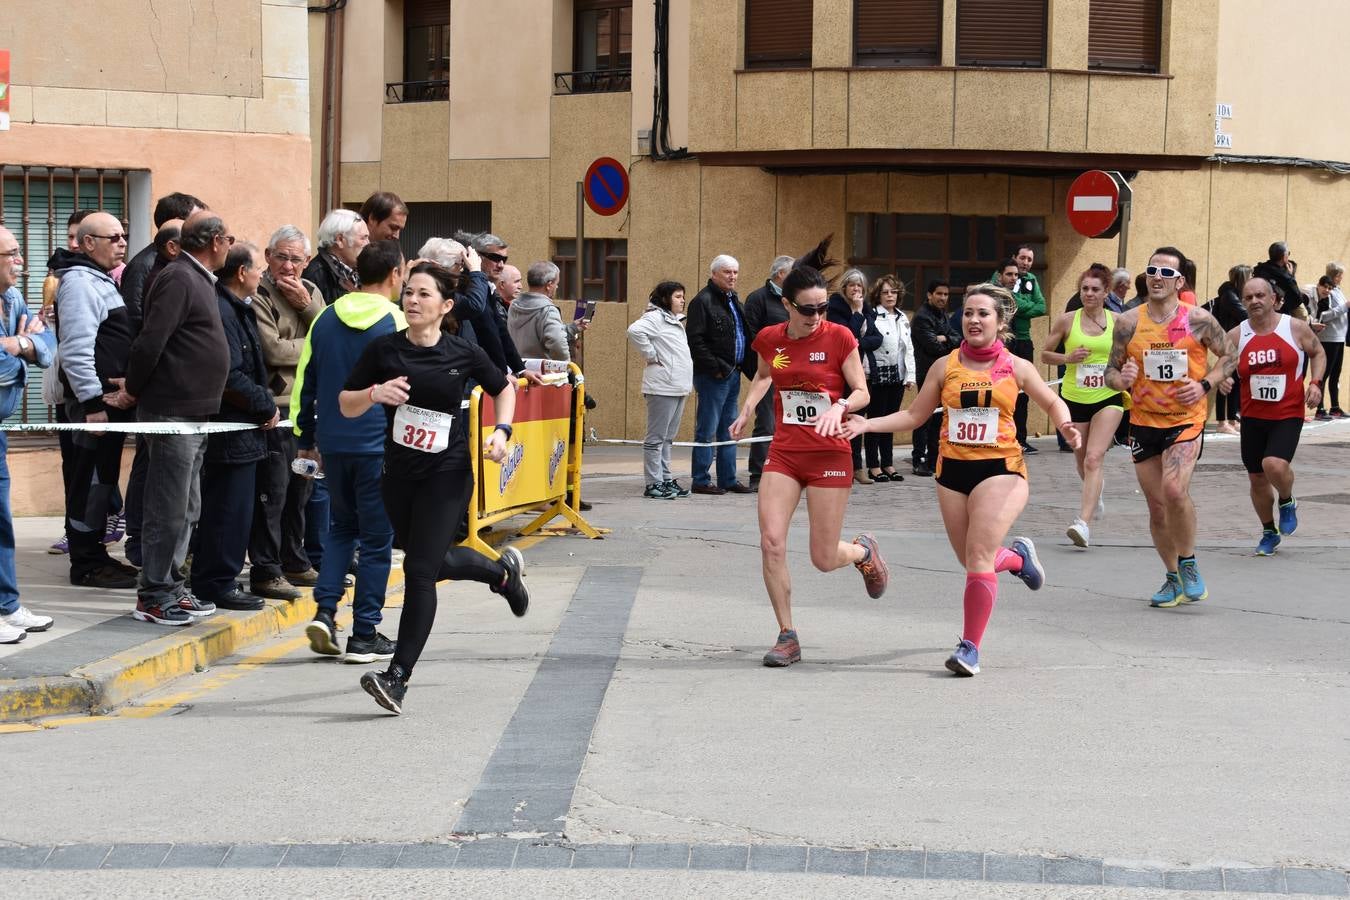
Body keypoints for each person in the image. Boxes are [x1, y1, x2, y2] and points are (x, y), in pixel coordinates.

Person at [845, 283, 1080, 676]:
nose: (973, 319)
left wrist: (1065, 423)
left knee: (978, 557)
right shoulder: (944, 365)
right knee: (971, 558)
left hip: (1000, 470)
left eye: (983, 313)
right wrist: (867, 423)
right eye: (967, 313)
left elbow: (1052, 400)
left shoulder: (1016, 366)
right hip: (952, 472)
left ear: (1000, 323)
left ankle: (970, 648)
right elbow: (914, 416)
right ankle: (1019, 558)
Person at [340, 262, 526, 716]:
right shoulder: (383, 350)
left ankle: (397, 678)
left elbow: (505, 388)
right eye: (408, 292)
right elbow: (345, 403)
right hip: (399, 475)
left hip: (449, 472)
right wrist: (373, 395)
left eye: (424, 294)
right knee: (433, 560)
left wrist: (501, 432)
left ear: (444, 306)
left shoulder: (462, 352)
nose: (412, 300)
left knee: (420, 573)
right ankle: (501, 574)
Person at [730, 263, 887, 667]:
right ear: (787, 305)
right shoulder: (770, 339)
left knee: (822, 557)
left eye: (822, 308)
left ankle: (861, 552)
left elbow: (861, 392)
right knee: (771, 541)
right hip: (785, 453)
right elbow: (766, 375)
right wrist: (747, 408)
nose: (817, 317)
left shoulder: (839, 337)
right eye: (807, 309)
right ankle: (787, 636)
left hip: (830, 454)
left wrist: (840, 406)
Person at [111, 211, 233, 624]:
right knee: (168, 506)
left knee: (187, 506)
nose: (229, 246)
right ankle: (154, 594)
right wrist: (134, 387)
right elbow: (151, 340)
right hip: (171, 411)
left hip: (194, 413)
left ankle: (173, 586)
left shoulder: (197, 277)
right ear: (215, 240)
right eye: (228, 239)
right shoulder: (179, 277)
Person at [1105, 247, 1236, 609]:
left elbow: (1230, 356)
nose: (1157, 276)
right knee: (1158, 507)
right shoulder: (1128, 322)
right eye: (1151, 270)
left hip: (1185, 420)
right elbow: (1110, 374)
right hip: (1143, 422)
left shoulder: (1198, 320)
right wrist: (1122, 378)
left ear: (1180, 281)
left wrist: (1205, 385)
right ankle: (1172, 576)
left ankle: (1189, 562)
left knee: (1174, 490)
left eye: (1166, 272)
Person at [294, 241, 406, 662]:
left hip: (334, 443)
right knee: (377, 540)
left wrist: (306, 436)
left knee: (341, 528)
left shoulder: (324, 317)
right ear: (395, 273)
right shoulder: (397, 321)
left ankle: (325, 612)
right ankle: (364, 633)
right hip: (379, 444)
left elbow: (306, 380)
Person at [188, 243, 279, 614]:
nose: (262, 275)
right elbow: (228, 374)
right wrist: (264, 402)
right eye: (259, 268)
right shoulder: (223, 310)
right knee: (227, 508)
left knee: (237, 507)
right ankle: (216, 582)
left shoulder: (236, 307)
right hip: (232, 427)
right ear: (242, 272)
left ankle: (220, 577)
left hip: (245, 427)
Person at [51, 211, 138, 589]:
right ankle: (85, 563)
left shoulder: (99, 279)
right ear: (88, 243)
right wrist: (91, 404)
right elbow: (76, 349)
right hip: (94, 409)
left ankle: (95, 554)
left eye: (123, 236)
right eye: (113, 237)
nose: (122, 243)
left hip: (109, 404)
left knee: (102, 482)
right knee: (88, 483)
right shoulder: (80, 283)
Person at [1218, 277, 1325, 556]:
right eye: (1248, 297)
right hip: (1253, 416)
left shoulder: (1295, 328)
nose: (1254, 301)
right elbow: (1221, 365)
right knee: (1257, 478)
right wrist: (1223, 380)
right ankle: (1268, 530)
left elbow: (1318, 352)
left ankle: (1287, 500)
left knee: (1273, 464)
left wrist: (1315, 383)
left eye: (1260, 295)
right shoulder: (1236, 335)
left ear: (1273, 298)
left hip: (1287, 413)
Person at [248, 225, 327, 600]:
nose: (289, 266)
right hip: (276, 410)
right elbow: (273, 351)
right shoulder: (259, 292)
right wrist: (312, 343)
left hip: (308, 409)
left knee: (302, 491)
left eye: (297, 259)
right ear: (268, 256)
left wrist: (307, 309)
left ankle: (295, 561)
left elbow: (331, 334)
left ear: (307, 261)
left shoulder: (312, 292)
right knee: (273, 493)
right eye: (282, 257)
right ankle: (266, 569)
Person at [0, 225, 58, 643]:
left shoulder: (12, 298)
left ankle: (7, 605)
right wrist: (25, 345)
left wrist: (16, 344)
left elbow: (49, 346)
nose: (21, 261)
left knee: (2, 523)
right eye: (12, 253)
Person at [1042, 267, 1126, 548]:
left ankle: (1083, 523)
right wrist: (1067, 356)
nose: (1089, 294)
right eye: (1085, 289)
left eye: (1094, 289)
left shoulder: (1118, 321)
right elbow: (1044, 354)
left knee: (1093, 458)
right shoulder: (1067, 321)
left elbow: (1130, 354)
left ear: (1106, 292)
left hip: (1108, 397)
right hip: (1074, 398)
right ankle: (1095, 492)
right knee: (1081, 460)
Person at [685, 254, 752, 495]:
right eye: (727, 272)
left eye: (735, 272)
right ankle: (701, 479)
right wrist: (716, 368)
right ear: (714, 274)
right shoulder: (702, 301)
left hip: (733, 372)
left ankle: (728, 478)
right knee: (708, 427)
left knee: (729, 428)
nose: (732, 276)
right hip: (714, 375)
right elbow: (696, 340)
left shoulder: (733, 299)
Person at [626, 280, 693, 499]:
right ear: (665, 299)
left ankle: (665, 479)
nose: (682, 301)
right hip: (662, 387)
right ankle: (653, 483)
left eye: (682, 296)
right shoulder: (654, 318)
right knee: (656, 438)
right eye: (677, 296)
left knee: (667, 438)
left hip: (677, 386)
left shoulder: (673, 321)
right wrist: (651, 354)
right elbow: (634, 331)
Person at [741, 255, 794, 490]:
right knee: (767, 422)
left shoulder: (791, 299)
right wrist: (769, 363)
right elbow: (751, 336)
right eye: (793, 273)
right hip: (769, 370)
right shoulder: (757, 299)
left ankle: (784, 472)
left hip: (793, 373)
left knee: (788, 423)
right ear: (780, 274)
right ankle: (757, 474)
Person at [827, 269, 883, 484]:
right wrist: (858, 314)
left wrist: (859, 342)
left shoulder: (866, 307)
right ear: (844, 287)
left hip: (863, 370)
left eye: (859, 286)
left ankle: (857, 468)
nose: (856, 289)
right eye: (852, 285)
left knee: (857, 419)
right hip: (842, 372)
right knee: (842, 419)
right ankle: (841, 467)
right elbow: (846, 335)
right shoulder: (836, 307)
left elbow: (877, 338)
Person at [863, 275, 915, 482]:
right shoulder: (872, 316)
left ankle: (888, 463)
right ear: (878, 295)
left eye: (893, 292)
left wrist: (909, 375)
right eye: (885, 292)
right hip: (877, 375)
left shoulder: (902, 317)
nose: (890, 296)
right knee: (876, 421)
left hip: (898, 375)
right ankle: (873, 465)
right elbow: (865, 346)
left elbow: (908, 348)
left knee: (891, 421)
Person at [997, 246, 1047, 454]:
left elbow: (1042, 307)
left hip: (1024, 340)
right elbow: (1004, 301)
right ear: (1014, 258)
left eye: (1029, 259)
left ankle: (1021, 439)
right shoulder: (1000, 276)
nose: (1025, 262)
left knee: (1023, 391)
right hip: (1005, 339)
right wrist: (1025, 305)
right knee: (1001, 388)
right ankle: (1001, 436)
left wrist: (1020, 306)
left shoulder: (1032, 280)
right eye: (1022, 258)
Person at [910, 279, 960, 477]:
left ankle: (933, 459)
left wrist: (946, 337)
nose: (943, 298)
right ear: (929, 295)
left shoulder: (942, 316)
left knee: (938, 417)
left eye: (946, 295)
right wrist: (946, 340)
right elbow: (933, 347)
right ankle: (919, 460)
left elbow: (957, 339)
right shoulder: (922, 317)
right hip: (926, 372)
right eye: (939, 294)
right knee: (924, 417)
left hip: (943, 372)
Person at [1210, 265, 1251, 434]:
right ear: (1243, 278)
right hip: (1227, 342)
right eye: (1250, 276)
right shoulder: (1229, 295)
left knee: (1235, 380)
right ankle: (1221, 422)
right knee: (1224, 379)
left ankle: (1232, 420)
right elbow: (1244, 315)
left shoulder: (1238, 294)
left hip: (1238, 340)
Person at [303, 209, 369, 304]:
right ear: (340, 240)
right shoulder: (315, 275)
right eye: (363, 238)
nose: (368, 243)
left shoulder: (361, 270)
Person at [507, 262, 569, 361]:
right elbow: (557, 342)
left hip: (518, 369)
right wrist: (565, 366)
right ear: (549, 285)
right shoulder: (548, 310)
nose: (557, 287)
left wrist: (573, 327)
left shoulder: (514, 305)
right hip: (541, 372)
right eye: (556, 284)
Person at [1313, 272, 1346, 419]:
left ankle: (1335, 407)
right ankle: (1319, 409)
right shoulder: (1323, 299)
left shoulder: (1337, 293)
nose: (1328, 290)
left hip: (1339, 338)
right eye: (1325, 287)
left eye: (1330, 287)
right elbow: (1323, 316)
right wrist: (1344, 307)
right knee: (1324, 374)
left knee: (1336, 374)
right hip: (1328, 339)